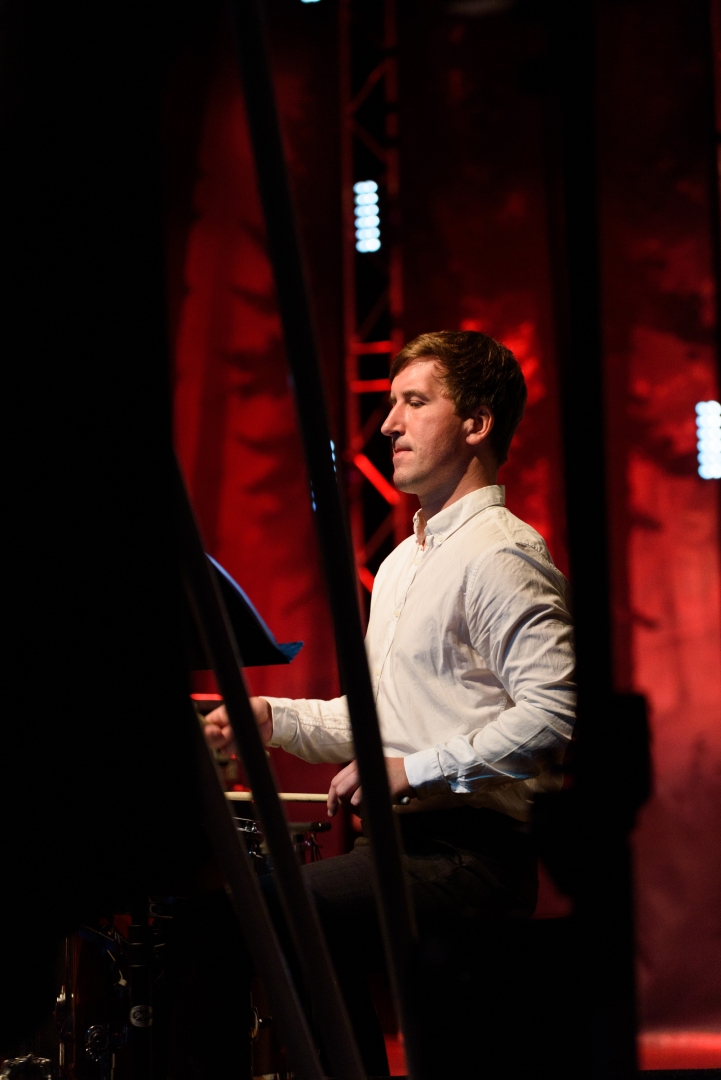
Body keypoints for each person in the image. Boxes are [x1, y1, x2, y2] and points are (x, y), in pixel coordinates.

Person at [204, 330, 576, 1075]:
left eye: (414, 402)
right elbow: (384, 720)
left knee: (259, 914)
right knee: (265, 916)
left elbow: (555, 714)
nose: (387, 425)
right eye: (390, 404)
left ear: (476, 423)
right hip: (396, 851)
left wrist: (414, 769)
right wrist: (275, 717)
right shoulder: (405, 561)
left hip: (468, 855)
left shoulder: (501, 554)